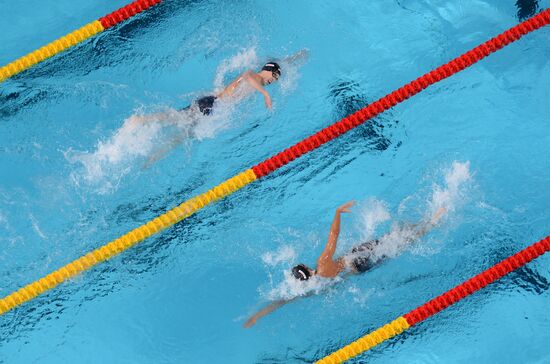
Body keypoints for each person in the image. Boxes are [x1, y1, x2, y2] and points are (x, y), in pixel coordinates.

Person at [243, 201, 446, 328]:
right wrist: (338, 212)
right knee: (396, 238)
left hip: (359, 270)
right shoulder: (322, 265)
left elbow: (282, 301)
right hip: (358, 258)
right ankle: (431, 221)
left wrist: (257, 316)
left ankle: (427, 225)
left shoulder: (314, 288)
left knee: (397, 245)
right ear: (305, 268)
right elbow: (334, 235)